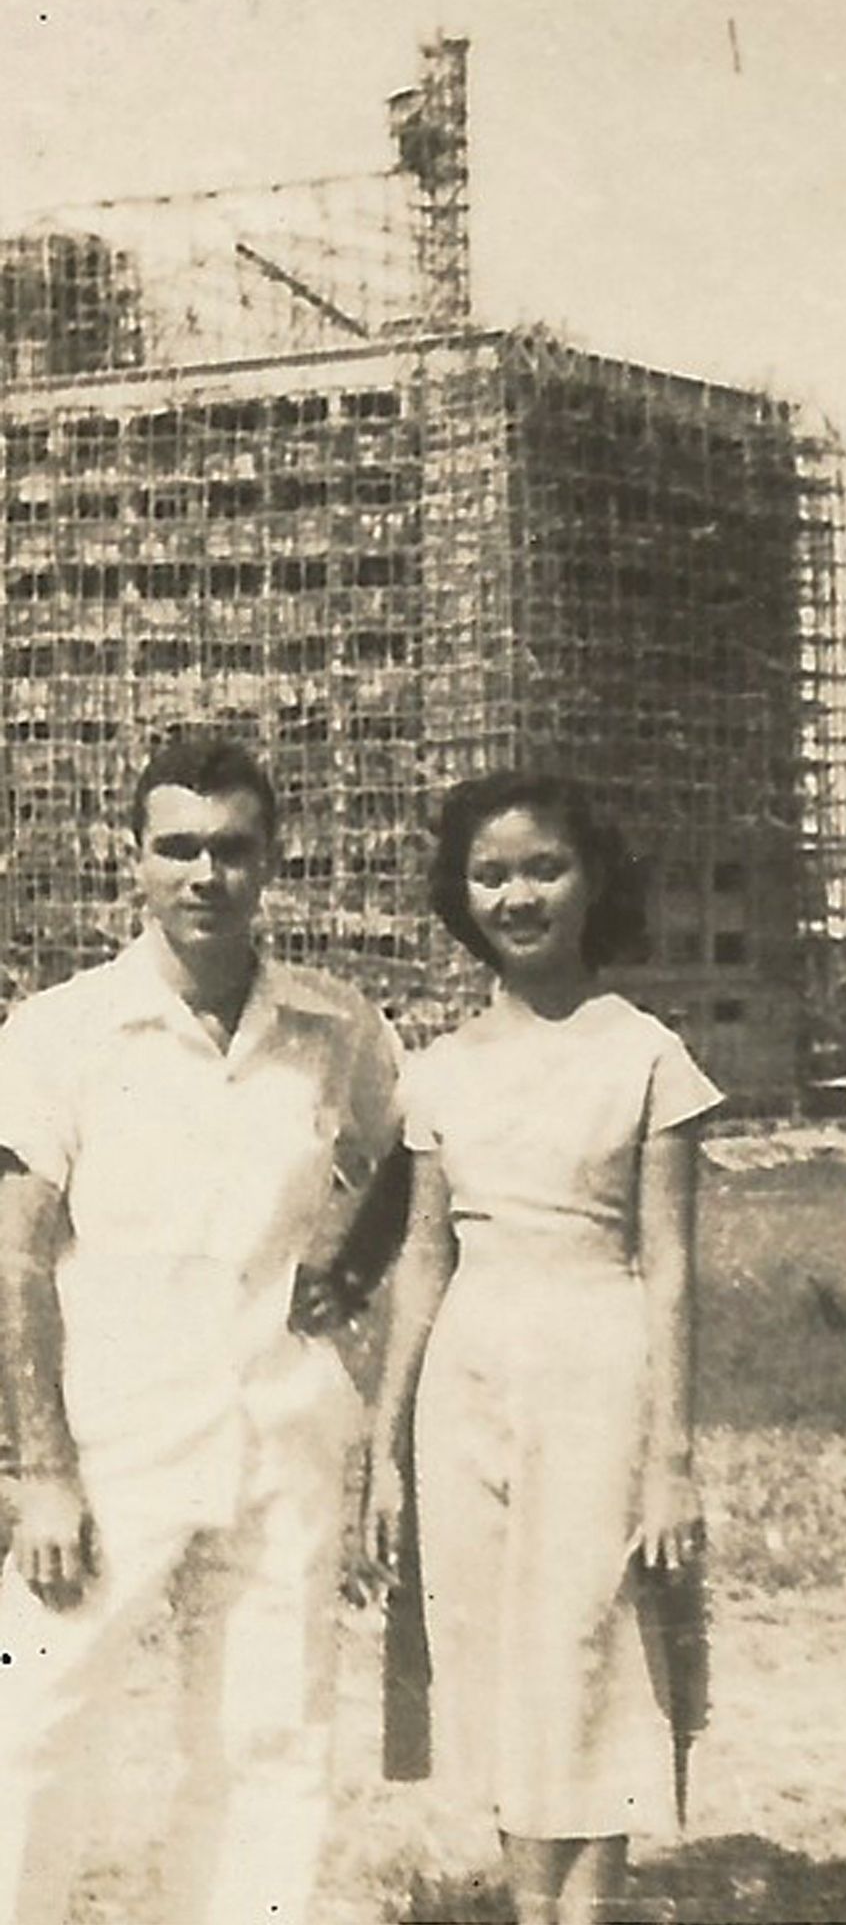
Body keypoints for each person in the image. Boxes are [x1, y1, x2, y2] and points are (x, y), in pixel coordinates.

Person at [0, 736, 403, 1925]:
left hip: (282, 1424)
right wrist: (43, 1469)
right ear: (131, 860)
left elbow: (413, 1159)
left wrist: (354, 1267)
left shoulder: (336, 1026)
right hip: (112, 1430)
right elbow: (16, 1257)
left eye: (233, 849)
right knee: (37, 1714)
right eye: (177, 847)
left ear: (270, 861)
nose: (205, 874)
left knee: (268, 1731)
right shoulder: (60, 1031)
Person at [364, 773, 722, 1925]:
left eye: (543, 867)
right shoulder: (439, 1065)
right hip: (465, 1380)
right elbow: (421, 1259)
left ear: (593, 878)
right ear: (460, 895)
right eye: (490, 874)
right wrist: (384, 1447)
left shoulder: (647, 1053)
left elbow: (668, 1263)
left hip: (596, 1369)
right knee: (493, 1647)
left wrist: (671, 1453)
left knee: (584, 1640)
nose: (518, 895)